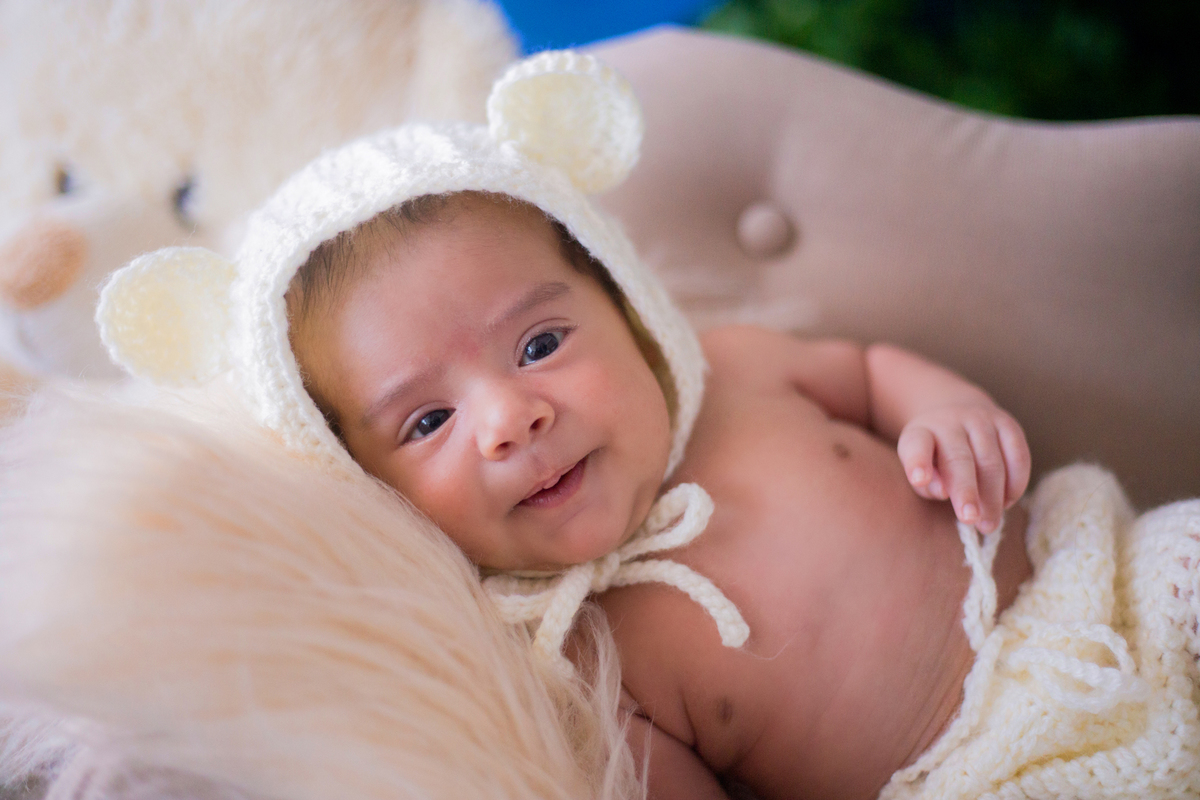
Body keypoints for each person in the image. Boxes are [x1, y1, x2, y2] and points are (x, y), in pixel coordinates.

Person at [97, 51, 1200, 800]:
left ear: (625, 307)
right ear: (366, 482)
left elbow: (865, 370)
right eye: (427, 419)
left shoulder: (731, 368)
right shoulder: (581, 660)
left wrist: (942, 409)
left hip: (1100, 583)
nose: (511, 414)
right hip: (977, 772)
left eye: (538, 345)